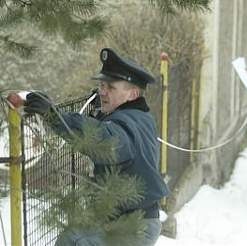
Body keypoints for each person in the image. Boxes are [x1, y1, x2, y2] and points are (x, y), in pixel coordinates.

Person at [24, 48, 170, 245]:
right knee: (73, 235)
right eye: (101, 85)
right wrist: (102, 114)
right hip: (136, 220)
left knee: (73, 240)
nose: (102, 91)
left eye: (110, 87)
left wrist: (53, 116)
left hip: (131, 226)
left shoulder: (123, 126)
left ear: (132, 94)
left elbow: (105, 140)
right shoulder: (142, 117)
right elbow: (115, 129)